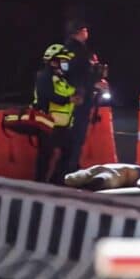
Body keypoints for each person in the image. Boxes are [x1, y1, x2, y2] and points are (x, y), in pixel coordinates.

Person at [62, 19, 107, 174]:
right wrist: (92, 84)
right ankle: (67, 171)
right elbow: (73, 76)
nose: (87, 32)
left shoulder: (84, 50)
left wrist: (98, 78)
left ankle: (73, 168)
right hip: (76, 98)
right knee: (74, 136)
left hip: (85, 97)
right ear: (79, 32)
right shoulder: (71, 51)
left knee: (79, 136)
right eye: (85, 30)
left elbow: (88, 71)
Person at [33, 43, 81, 184]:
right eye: (63, 60)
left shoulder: (62, 80)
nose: (65, 64)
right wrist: (68, 99)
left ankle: (55, 182)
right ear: (53, 61)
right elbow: (46, 95)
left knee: (69, 152)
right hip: (47, 123)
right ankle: (39, 184)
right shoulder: (43, 77)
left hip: (62, 126)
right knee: (45, 156)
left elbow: (73, 92)